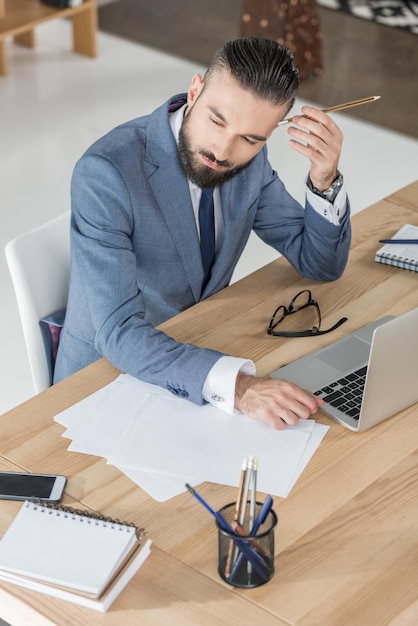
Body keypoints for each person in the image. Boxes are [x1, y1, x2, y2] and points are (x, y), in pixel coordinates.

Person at [54, 36, 351, 430]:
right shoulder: (107, 172)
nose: (224, 151)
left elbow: (320, 264)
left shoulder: (251, 162)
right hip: (103, 384)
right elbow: (119, 332)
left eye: (250, 138)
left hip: (197, 354)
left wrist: (324, 178)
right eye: (217, 120)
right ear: (195, 91)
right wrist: (241, 389)